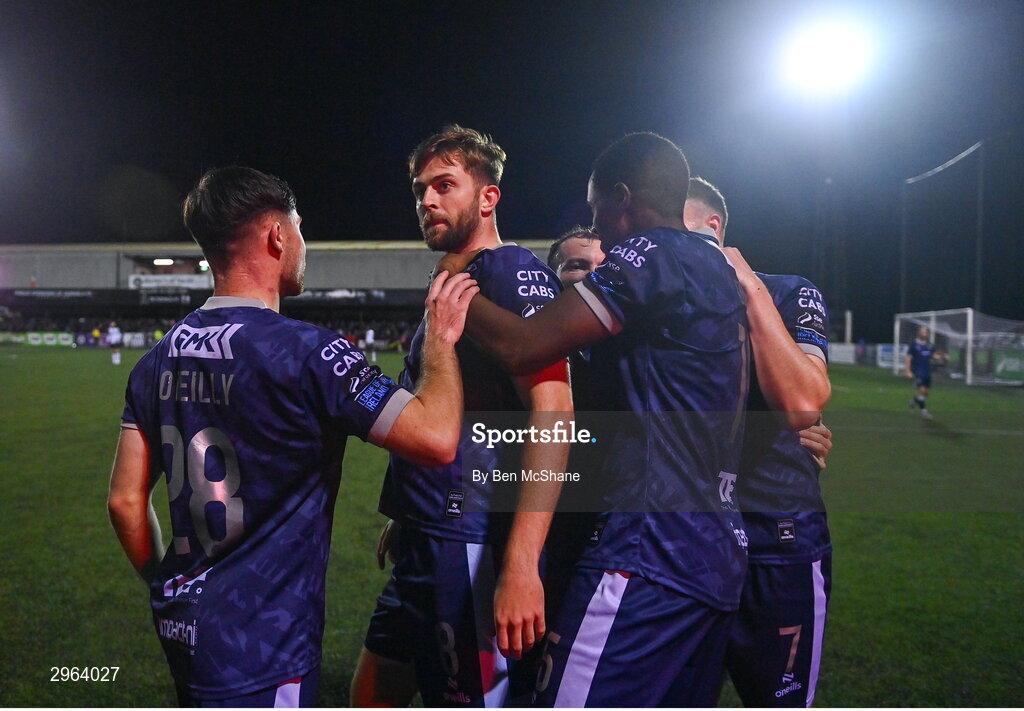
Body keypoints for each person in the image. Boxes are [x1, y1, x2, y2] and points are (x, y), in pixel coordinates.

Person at [107, 166, 478, 708]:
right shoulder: (311, 354)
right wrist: (441, 340)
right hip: (264, 645)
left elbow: (123, 501)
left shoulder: (154, 360)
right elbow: (437, 437)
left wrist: (166, 584)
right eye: (300, 228)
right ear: (277, 235)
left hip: (185, 628)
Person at [439, 132, 753, 707]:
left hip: (648, 548)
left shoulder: (655, 253)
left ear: (623, 200)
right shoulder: (719, 271)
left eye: (597, 210)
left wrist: (452, 289)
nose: (599, 230)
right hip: (718, 554)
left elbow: (525, 345)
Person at [351, 126, 572, 707]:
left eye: (445, 185)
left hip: (471, 541)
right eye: (420, 189)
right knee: (372, 693)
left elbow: (554, 411)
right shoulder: (452, 279)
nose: (427, 200)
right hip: (428, 532)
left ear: (488, 197)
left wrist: (522, 564)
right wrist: (408, 510)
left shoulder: (507, 270)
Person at [684, 176, 833, 707]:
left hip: (777, 536)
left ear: (711, 227)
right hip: (683, 545)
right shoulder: (652, 301)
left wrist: (747, 286)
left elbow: (801, 403)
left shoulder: (790, 291)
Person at [905, 325, 935, 419]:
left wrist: (941, 356)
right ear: (919, 333)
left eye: (925, 332)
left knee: (926, 392)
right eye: (922, 332)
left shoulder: (930, 346)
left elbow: (932, 356)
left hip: (927, 371)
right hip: (918, 371)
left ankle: (913, 401)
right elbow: (908, 358)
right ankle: (924, 411)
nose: (924, 333)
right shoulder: (913, 345)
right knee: (921, 390)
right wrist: (908, 370)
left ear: (927, 334)